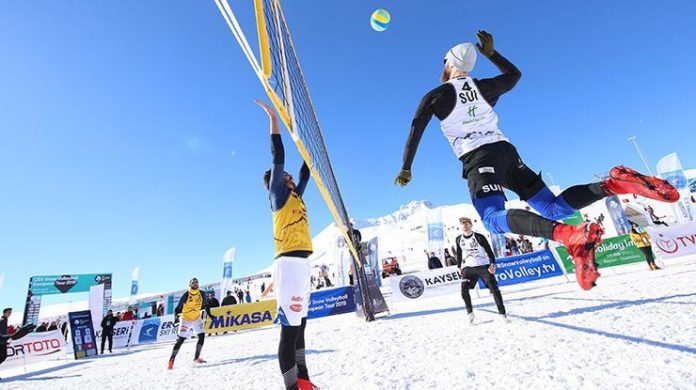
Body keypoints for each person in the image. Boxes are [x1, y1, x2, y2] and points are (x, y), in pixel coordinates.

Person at [395, 30, 679, 290]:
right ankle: (614, 185)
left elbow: (415, 128)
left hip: (478, 156)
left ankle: (569, 236)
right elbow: (515, 75)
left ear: (449, 63)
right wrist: (493, 55)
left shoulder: (436, 95)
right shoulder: (487, 88)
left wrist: (406, 167)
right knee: (553, 207)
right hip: (507, 153)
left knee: (493, 219)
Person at [257, 99, 319, 390]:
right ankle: (291, 387)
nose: (290, 175)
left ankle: (303, 381)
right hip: (288, 264)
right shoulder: (277, 195)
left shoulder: (297, 196)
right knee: (290, 330)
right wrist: (273, 119)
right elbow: (278, 155)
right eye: (286, 175)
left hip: (302, 263)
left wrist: (311, 145)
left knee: (302, 325)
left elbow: (306, 172)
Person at [455, 217, 507, 323]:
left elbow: (489, 252)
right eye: (463, 224)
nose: (465, 225)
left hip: (483, 266)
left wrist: (492, 264)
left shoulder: (479, 237)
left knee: (494, 289)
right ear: (460, 226)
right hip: (468, 268)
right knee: (464, 289)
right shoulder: (459, 239)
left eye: (467, 223)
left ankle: (502, 313)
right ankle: (470, 313)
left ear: (471, 225)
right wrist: (458, 266)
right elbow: (459, 253)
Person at [168, 277, 211, 369]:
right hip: (186, 319)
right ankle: (171, 360)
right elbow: (178, 308)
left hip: (196, 318)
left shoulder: (202, 293)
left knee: (202, 336)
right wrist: (175, 318)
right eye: (193, 282)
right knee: (181, 340)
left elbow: (206, 305)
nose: (195, 283)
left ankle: (196, 358)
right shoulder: (186, 294)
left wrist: (210, 314)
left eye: (196, 282)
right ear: (190, 284)